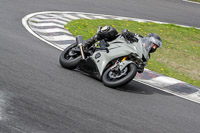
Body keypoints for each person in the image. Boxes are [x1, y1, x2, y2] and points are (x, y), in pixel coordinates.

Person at [83, 26, 162, 73]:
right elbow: (126, 31)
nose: (154, 48)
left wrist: (140, 67)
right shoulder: (139, 38)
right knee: (110, 30)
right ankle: (87, 43)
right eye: (154, 45)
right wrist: (127, 33)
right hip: (116, 42)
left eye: (156, 47)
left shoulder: (147, 56)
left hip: (124, 54)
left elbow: (141, 68)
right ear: (149, 41)